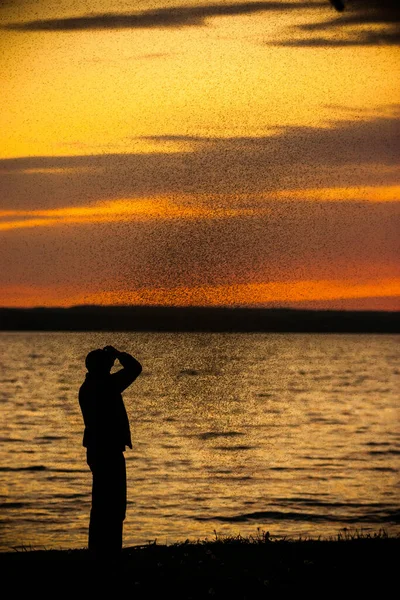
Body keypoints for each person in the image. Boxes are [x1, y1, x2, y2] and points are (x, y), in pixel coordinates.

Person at [79, 345, 142, 560]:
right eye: (108, 362)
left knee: (101, 504)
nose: (112, 364)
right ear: (103, 367)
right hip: (108, 451)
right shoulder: (106, 385)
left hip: (97, 449)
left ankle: (99, 549)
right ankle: (109, 551)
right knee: (113, 505)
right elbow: (135, 368)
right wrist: (119, 354)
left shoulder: (88, 386)